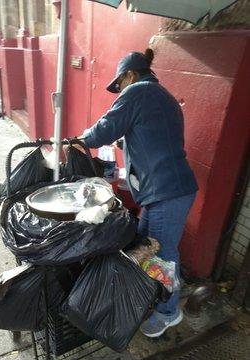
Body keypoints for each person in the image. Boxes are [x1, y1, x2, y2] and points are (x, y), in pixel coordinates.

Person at [76, 49, 198, 337]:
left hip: (166, 193)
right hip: (168, 190)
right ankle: (151, 295)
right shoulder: (162, 96)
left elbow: (103, 130)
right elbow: (156, 137)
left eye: (119, 85)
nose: (119, 91)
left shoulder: (138, 92)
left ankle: (169, 312)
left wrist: (79, 139)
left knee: (162, 255)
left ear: (129, 75)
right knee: (144, 243)